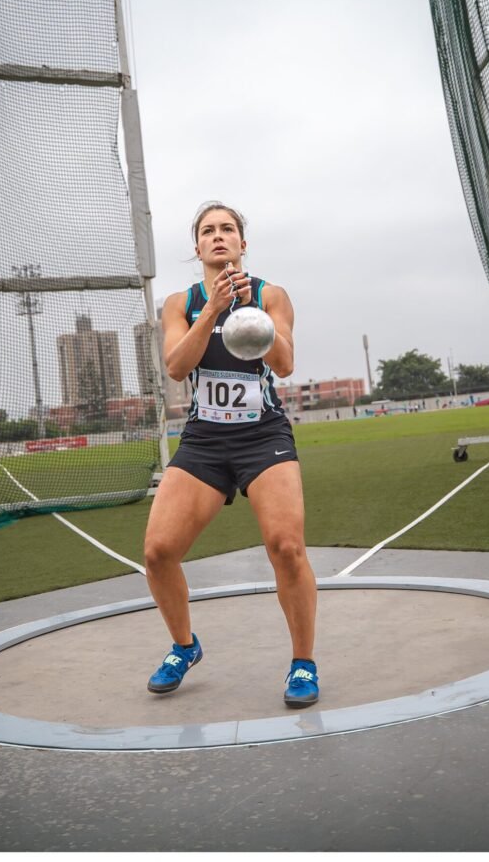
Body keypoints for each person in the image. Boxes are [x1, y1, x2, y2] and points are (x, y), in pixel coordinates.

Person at [143, 201, 319, 707]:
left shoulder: (271, 295)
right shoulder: (180, 303)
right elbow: (176, 367)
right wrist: (213, 311)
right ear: (197, 247)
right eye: (207, 231)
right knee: (158, 552)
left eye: (227, 229)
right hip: (204, 440)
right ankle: (184, 646)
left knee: (287, 547)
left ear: (242, 243)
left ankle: (303, 663)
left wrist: (250, 311)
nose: (217, 236)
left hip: (262, 437)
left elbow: (284, 364)